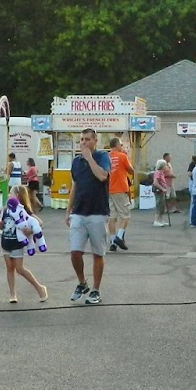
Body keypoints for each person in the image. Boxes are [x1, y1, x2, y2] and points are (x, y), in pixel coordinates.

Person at [65, 128, 111, 305]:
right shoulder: (76, 162)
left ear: (95, 141)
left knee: (97, 253)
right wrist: (69, 209)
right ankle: (82, 282)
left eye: (87, 140)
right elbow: (75, 185)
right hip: (79, 212)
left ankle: (96, 289)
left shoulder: (102, 157)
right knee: (75, 252)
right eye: (81, 140)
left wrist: (89, 158)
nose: (83, 143)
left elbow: (102, 176)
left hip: (98, 212)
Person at [0, 186, 50, 303]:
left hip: (17, 243)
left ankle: (40, 287)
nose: (8, 195)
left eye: (10, 193)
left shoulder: (23, 210)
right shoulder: (6, 209)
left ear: (17, 196)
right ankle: (12, 294)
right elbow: (1, 226)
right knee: (9, 268)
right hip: (6, 241)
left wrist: (30, 231)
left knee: (19, 269)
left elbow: (39, 223)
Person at [105, 135, 134, 252]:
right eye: (121, 145)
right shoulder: (122, 156)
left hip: (108, 189)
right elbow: (131, 170)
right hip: (120, 189)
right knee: (125, 215)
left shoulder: (106, 157)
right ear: (117, 145)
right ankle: (119, 236)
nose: (121, 147)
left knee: (112, 217)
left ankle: (112, 241)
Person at [152, 154, 174, 227]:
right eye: (165, 165)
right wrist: (162, 188)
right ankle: (156, 220)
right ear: (162, 166)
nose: (167, 167)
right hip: (159, 191)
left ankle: (160, 219)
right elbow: (155, 182)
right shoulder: (158, 173)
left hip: (162, 191)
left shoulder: (161, 173)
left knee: (162, 206)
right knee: (159, 205)